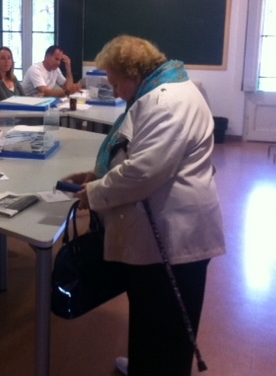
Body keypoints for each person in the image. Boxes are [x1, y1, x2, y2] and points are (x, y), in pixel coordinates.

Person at [61, 35, 225, 376]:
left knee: (166, 324)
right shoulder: (163, 91)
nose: (115, 90)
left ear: (133, 73)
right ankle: (144, 366)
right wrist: (97, 175)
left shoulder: (166, 103)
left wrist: (95, 192)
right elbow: (136, 153)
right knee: (151, 317)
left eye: (115, 82)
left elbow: (143, 172)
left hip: (175, 236)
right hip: (163, 230)